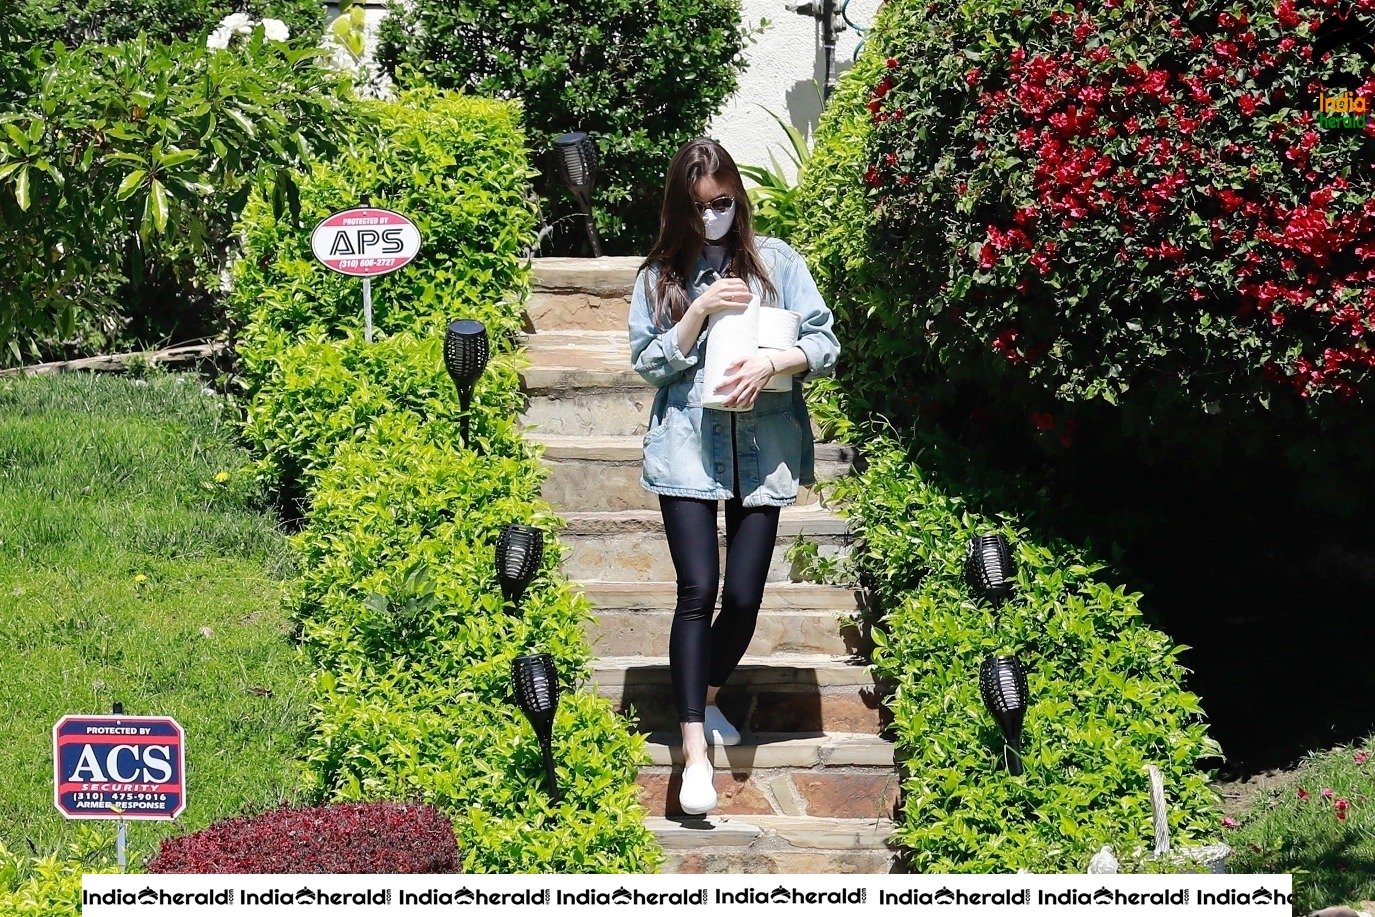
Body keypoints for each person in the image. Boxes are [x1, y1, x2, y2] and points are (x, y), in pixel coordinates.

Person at [626, 137, 840, 816]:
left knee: (743, 596)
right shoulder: (660, 274)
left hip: (761, 445)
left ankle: (708, 696)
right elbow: (647, 363)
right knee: (698, 589)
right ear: (679, 210)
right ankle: (694, 753)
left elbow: (825, 341)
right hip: (687, 448)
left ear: (737, 197)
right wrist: (696, 312)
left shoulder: (777, 262)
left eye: (720, 203)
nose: (711, 217)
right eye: (697, 208)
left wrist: (775, 362)